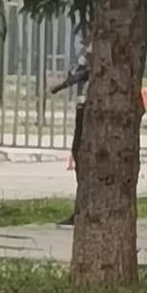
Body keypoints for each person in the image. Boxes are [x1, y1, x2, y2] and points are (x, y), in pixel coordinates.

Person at [50, 33, 91, 228]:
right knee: (78, 153)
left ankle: (85, 208)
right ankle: (81, 208)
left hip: (91, 106)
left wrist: (70, 80)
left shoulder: (98, 47)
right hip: (82, 105)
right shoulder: (85, 52)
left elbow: (89, 72)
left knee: (84, 155)